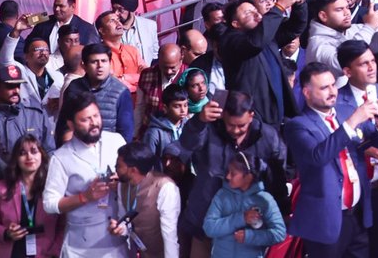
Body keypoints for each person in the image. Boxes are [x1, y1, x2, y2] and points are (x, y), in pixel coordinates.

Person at [282, 62, 378, 258]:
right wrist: (353, 121)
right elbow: (318, 156)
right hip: (325, 220)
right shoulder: (298, 125)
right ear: (306, 92)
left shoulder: (345, 113)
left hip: (357, 214)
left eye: (333, 85)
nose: (332, 92)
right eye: (324, 88)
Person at [175, 90, 289, 258]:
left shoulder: (267, 137)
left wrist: (279, 212)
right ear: (223, 116)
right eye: (230, 125)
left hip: (249, 228)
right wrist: (198, 122)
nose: (235, 130)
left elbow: (277, 178)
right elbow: (187, 143)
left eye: (241, 126)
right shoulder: (209, 128)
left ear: (251, 115)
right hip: (205, 217)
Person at [333, 43, 378, 258]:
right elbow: (336, 143)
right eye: (363, 64)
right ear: (347, 71)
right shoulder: (336, 102)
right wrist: (365, 149)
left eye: (373, 61)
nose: (372, 67)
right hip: (356, 193)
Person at [42, 91, 125, 257]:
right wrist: (84, 197)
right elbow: (49, 204)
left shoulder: (116, 141)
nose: (94, 123)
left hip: (117, 237)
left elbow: (137, 181)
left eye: (96, 116)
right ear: (71, 125)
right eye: (86, 119)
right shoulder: (61, 157)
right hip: (81, 244)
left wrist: (122, 182)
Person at [201, 152, 287, 258]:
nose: (228, 176)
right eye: (228, 172)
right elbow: (208, 227)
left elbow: (279, 233)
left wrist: (249, 236)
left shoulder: (265, 200)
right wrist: (241, 218)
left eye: (233, 174)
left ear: (248, 176)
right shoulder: (222, 195)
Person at [109, 142, 178, 258]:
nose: (115, 169)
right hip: (137, 252)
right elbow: (125, 220)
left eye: (118, 166)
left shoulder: (165, 188)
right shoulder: (122, 185)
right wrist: (120, 228)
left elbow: (170, 235)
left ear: (133, 170)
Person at [0, 134, 63, 258]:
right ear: (16, 159)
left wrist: (55, 251)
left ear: (42, 155)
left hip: (45, 254)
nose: (29, 157)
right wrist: (6, 233)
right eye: (22, 153)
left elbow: (63, 225)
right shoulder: (2, 188)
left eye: (34, 151)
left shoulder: (53, 188)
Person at [0, 66, 50, 159]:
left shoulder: (36, 114)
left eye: (18, 85)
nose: (16, 91)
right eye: (10, 87)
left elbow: (49, 150)